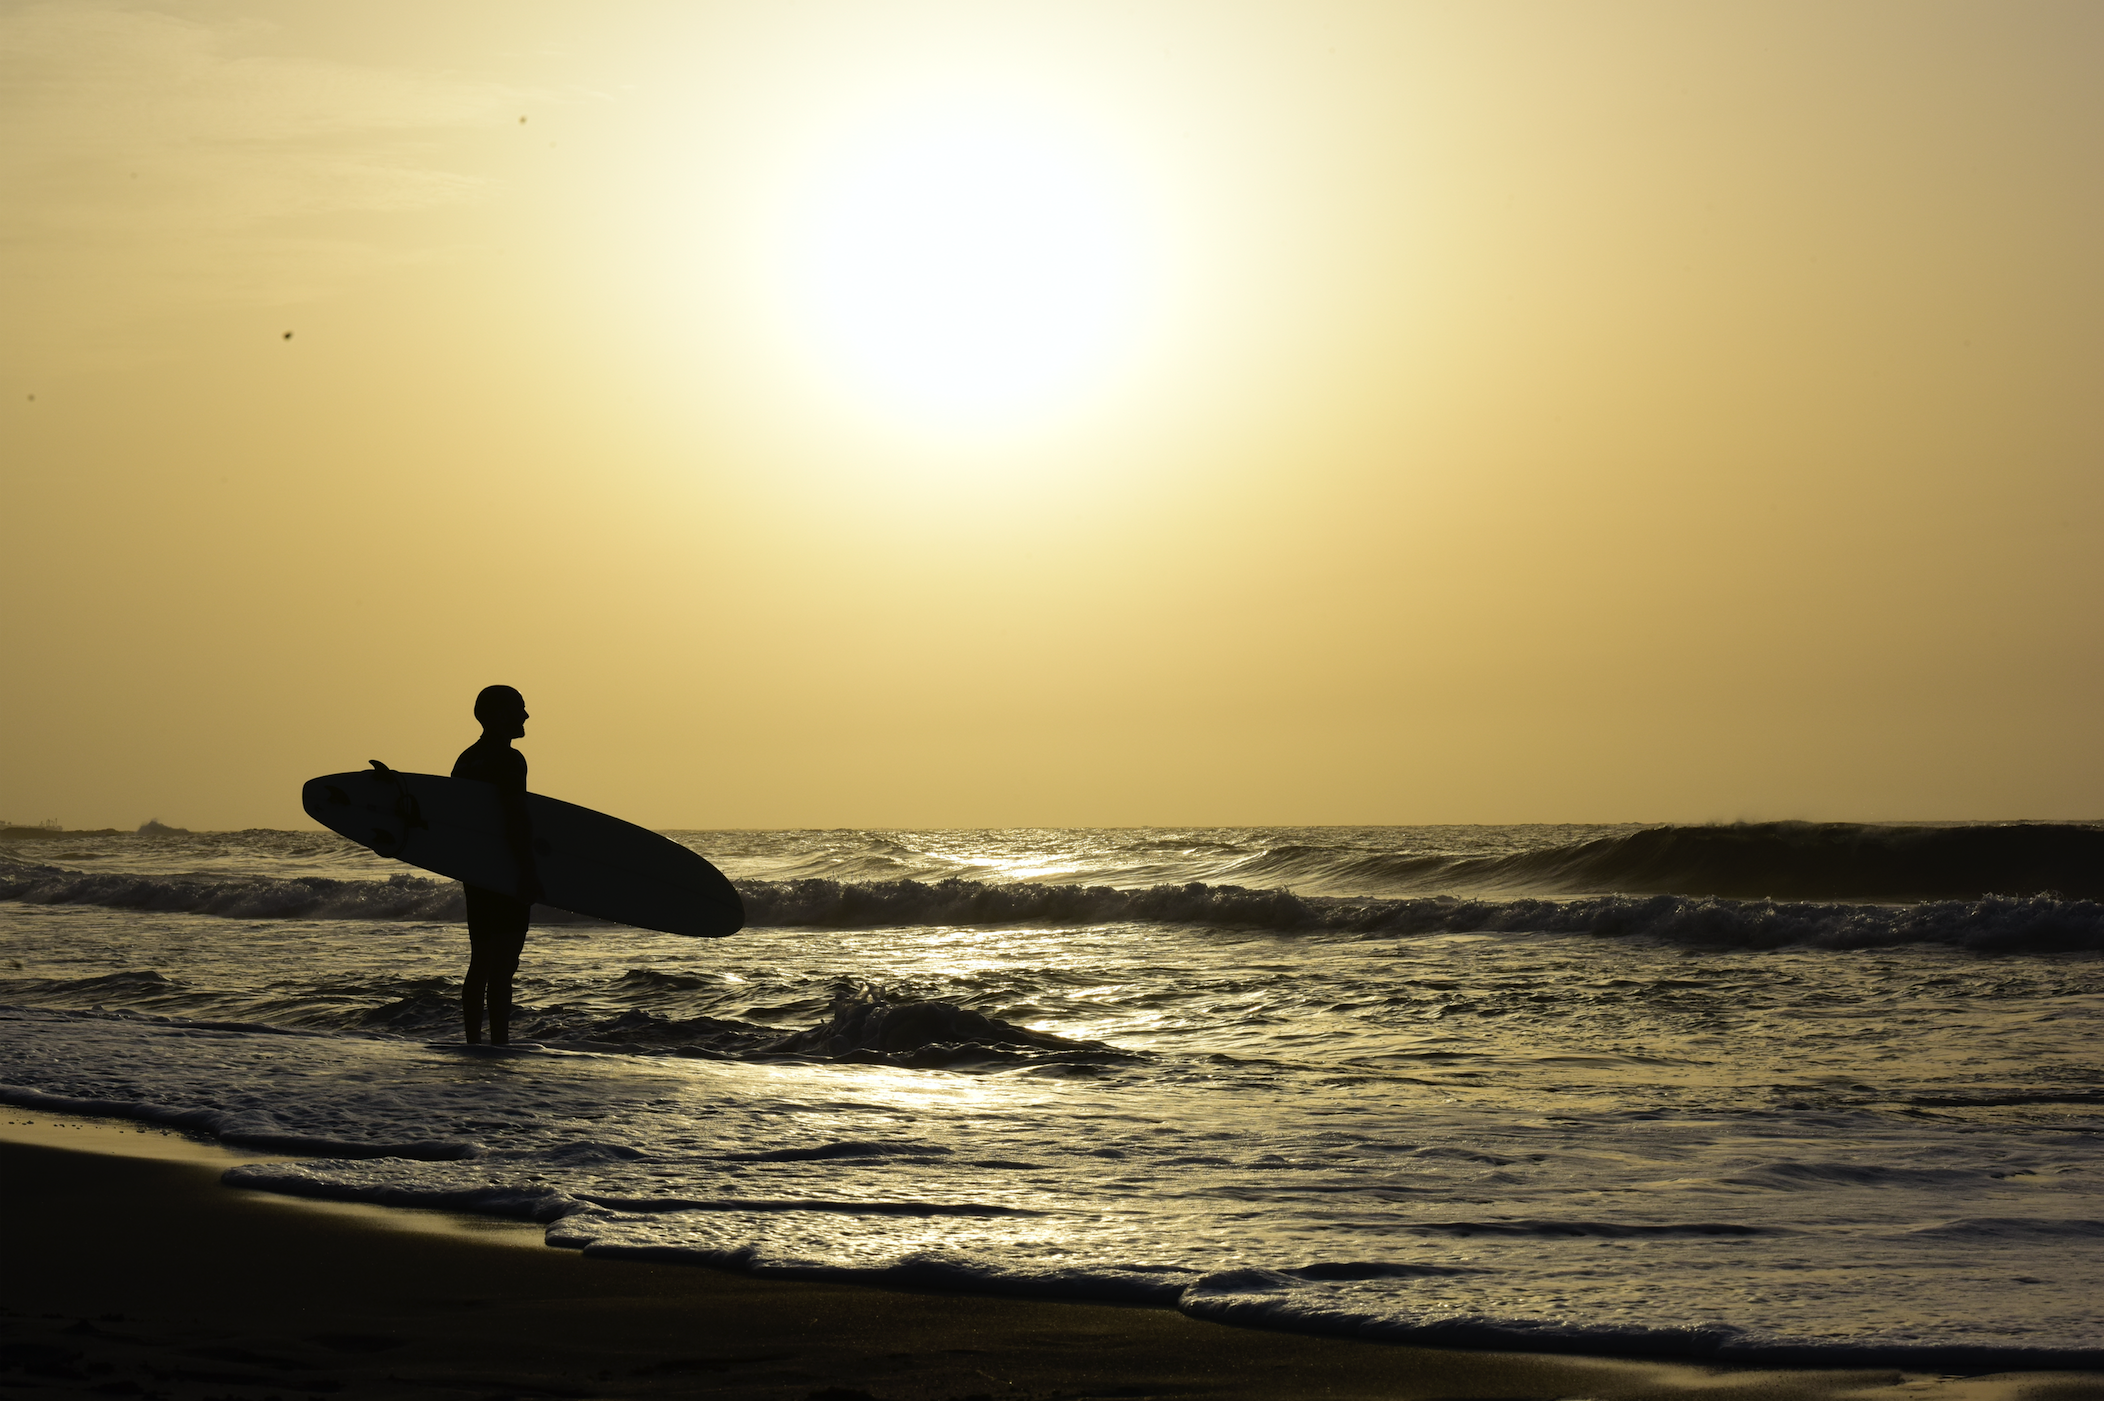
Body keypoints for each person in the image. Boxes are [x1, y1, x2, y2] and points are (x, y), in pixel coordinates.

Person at [451, 684, 543, 1045]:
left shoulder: (466, 759)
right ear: (501, 714)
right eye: (519, 708)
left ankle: (474, 1042)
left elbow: (458, 822)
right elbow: (516, 818)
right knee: (503, 967)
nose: (525, 715)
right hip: (504, 872)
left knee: (481, 962)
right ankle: (499, 1045)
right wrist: (528, 871)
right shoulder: (509, 759)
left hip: (477, 873)